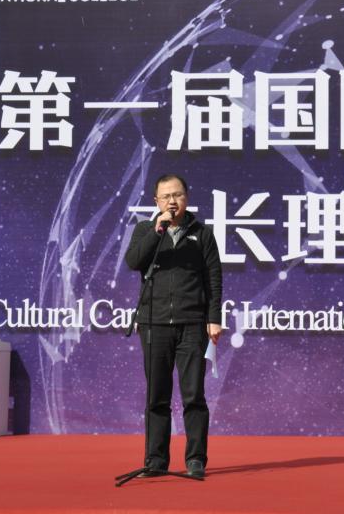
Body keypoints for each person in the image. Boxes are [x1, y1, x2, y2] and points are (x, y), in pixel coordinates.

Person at [124, 174, 222, 478]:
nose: (172, 201)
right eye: (166, 196)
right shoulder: (145, 230)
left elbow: (213, 278)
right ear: (156, 201)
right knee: (157, 396)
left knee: (194, 395)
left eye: (177, 195)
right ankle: (155, 460)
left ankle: (195, 460)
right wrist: (157, 230)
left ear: (186, 198)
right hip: (153, 325)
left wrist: (214, 318)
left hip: (192, 325)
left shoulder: (202, 234)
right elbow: (133, 261)